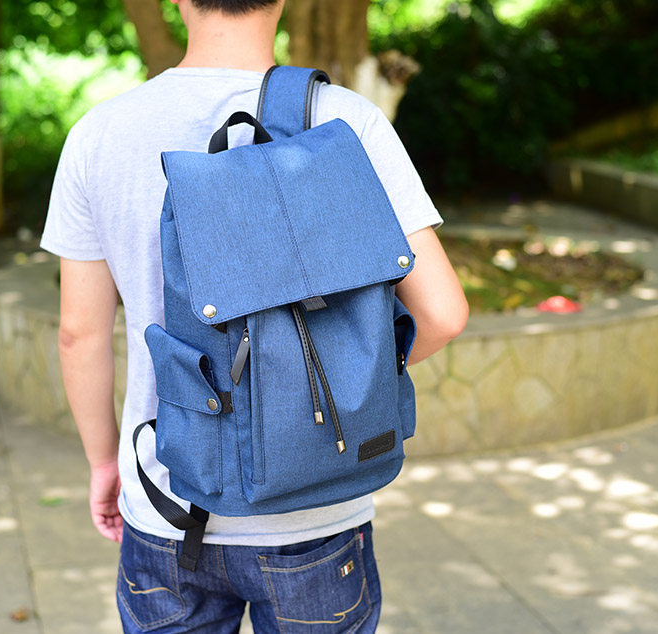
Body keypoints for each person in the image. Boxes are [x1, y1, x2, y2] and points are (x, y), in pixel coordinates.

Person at [40, 0, 468, 631]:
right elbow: (443, 314)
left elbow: (79, 335)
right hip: (317, 507)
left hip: (166, 498)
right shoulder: (345, 119)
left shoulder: (101, 132)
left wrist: (106, 464)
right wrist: (345, 380)